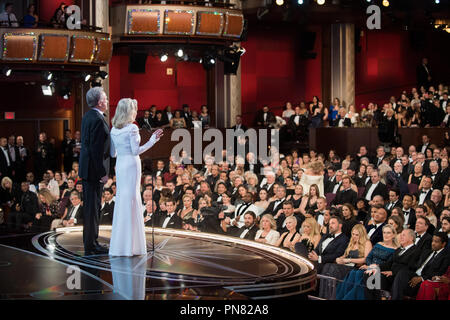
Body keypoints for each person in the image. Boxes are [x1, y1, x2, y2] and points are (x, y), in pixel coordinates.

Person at [109, 98, 163, 256]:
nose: (135, 112)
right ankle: (133, 245)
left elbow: (113, 153)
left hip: (120, 164)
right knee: (132, 198)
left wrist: (122, 151)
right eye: (134, 109)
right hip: (131, 164)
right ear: (129, 111)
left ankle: (121, 245)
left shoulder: (114, 129)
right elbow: (135, 151)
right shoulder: (132, 128)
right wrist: (152, 140)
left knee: (122, 198)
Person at [79, 87, 112, 256]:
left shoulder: (88, 116)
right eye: (105, 98)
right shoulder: (98, 120)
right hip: (94, 172)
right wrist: (102, 173)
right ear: (100, 102)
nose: (107, 101)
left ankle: (92, 242)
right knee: (92, 210)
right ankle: (91, 245)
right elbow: (96, 149)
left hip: (88, 170)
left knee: (92, 209)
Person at [336, 224, 398, 300]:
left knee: (360, 273)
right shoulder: (378, 244)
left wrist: (372, 267)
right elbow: (369, 257)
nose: (386, 235)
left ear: (393, 235)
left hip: (379, 271)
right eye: (384, 232)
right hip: (369, 267)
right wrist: (369, 266)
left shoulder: (395, 249)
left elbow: (388, 264)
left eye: (388, 233)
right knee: (353, 273)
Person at [319, 224, 372, 299]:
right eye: (353, 234)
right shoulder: (352, 242)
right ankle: (324, 295)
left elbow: (366, 259)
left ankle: (332, 296)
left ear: (362, 235)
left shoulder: (367, 243)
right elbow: (345, 255)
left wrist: (350, 260)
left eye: (357, 235)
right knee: (327, 266)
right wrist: (339, 259)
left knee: (333, 269)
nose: (354, 236)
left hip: (356, 267)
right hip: (347, 265)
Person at [391, 232, 449, 300]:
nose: (433, 243)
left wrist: (421, 278)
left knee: (399, 282)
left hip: (425, 279)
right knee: (401, 273)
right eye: (432, 241)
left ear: (443, 244)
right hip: (414, 274)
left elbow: (440, 272)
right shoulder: (427, 251)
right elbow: (415, 265)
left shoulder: (446, 256)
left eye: (436, 242)